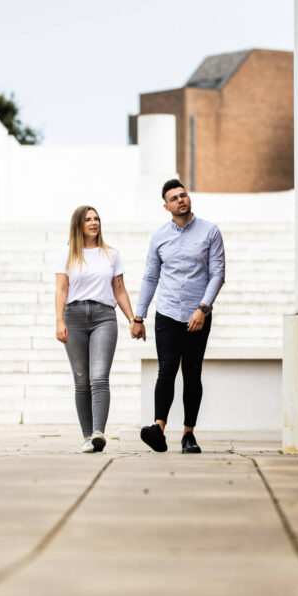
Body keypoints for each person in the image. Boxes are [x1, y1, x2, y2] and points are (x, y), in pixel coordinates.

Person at [132, 179, 225, 454]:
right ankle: (158, 429)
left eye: (183, 195)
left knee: (192, 373)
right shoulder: (159, 237)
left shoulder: (210, 231)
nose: (180, 200)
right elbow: (151, 277)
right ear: (166, 206)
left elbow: (217, 274)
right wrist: (139, 317)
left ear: (189, 199)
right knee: (166, 370)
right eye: (174, 198)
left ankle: (188, 435)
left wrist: (203, 308)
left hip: (198, 314)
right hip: (168, 313)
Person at [55, 205, 140, 453]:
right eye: (88, 219)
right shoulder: (67, 254)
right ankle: (86, 436)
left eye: (97, 219)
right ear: (78, 225)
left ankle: (98, 433)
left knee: (99, 377)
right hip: (74, 316)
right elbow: (61, 289)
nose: (94, 223)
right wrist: (59, 320)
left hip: (104, 316)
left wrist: (133, 319)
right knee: (81, 380)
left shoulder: (111, 255)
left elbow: (119, 290)